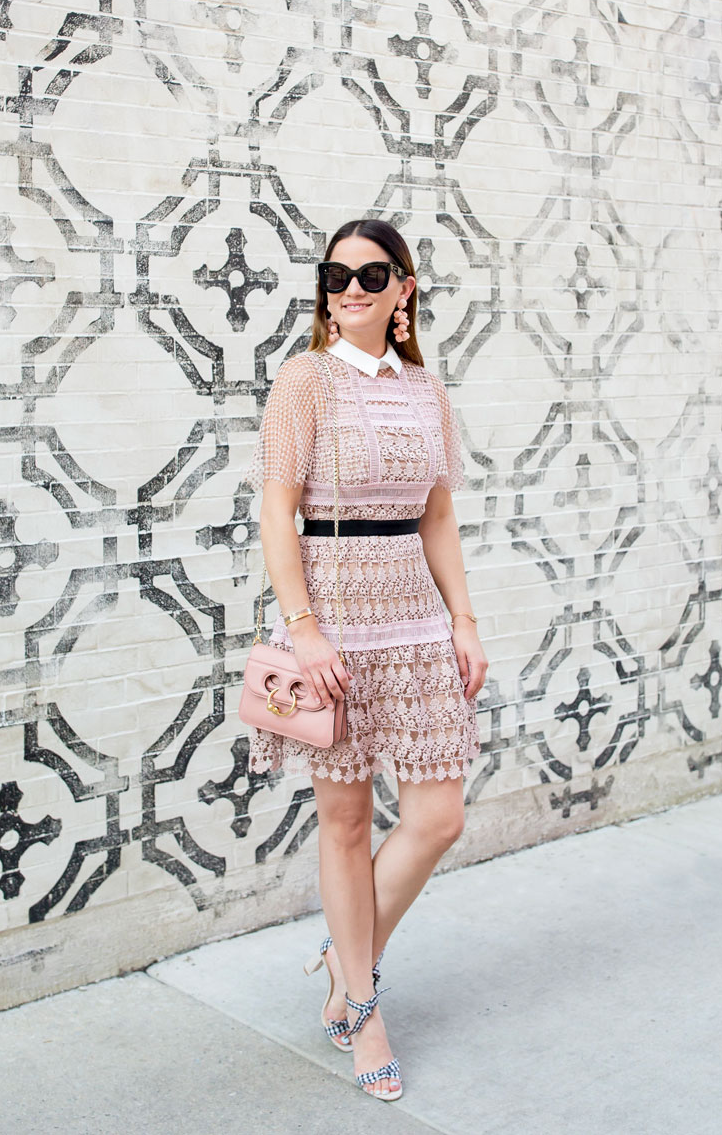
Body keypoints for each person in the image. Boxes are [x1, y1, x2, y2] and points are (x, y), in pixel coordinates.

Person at [245, 217, 487, 1103]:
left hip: (416, 616)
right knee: (344, 821)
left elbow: (437, 516)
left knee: (438, 816)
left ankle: (349, 957)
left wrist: (464, 619)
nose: (350, 287)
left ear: (404, 288)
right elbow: (278, 515)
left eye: (371, 273)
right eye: (336, 274)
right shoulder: (302, 382)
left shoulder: (424, 389)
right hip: (333, 613)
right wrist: (302, 627)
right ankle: (365, 1003)